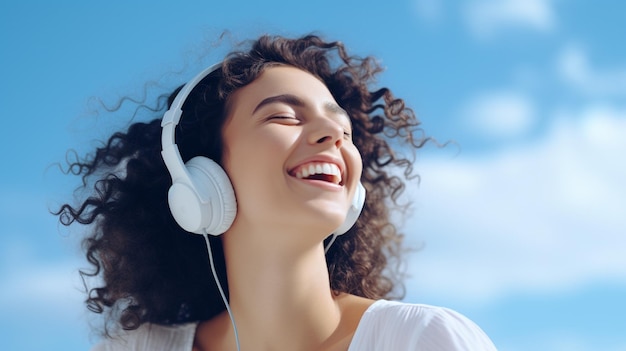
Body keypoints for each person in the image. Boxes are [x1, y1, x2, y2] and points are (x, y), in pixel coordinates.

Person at [55, 34, 497, 350]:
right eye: (284, 117)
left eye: (342, 128)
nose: (333, 135)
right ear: (201, 179)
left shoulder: (422, 340)